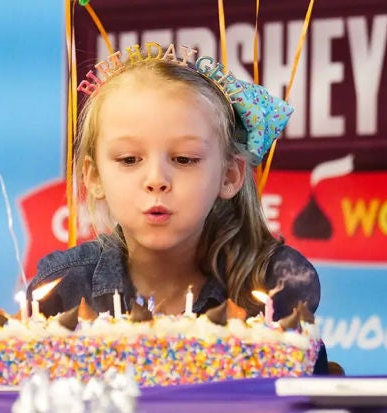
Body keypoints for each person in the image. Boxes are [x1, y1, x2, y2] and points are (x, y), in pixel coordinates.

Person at [27, 43, 328, 374]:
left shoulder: (278, 284)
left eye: (184, 159)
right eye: (129, 159)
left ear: (229, 175)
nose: (156, 180)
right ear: (94, 176)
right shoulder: (61, 289)